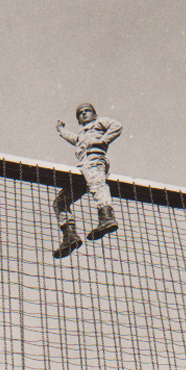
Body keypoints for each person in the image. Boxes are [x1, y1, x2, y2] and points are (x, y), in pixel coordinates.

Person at [53, 103, 123, 258]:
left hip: (94, 159)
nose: (84, 114)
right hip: (82, 168)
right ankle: (69, 236)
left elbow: (117, 126)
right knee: (59, 202)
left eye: (87, 111)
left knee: (97, 184)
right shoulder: (80, 135)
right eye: (80, 113)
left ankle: (106, 217)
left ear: (94, 115)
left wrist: (104, 140)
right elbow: (72, 138)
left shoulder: (99, 123)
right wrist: (60, 129)